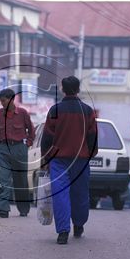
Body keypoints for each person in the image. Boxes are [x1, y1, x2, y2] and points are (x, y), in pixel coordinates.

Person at [41, 76, 98, 245]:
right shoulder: (87, 111)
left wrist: (46, 158)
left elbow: (47, 138)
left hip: (59, 161)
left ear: (62, 89)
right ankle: (79, 224)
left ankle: (63, 232)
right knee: (80, 194)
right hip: (80, 160)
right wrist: (91, 153)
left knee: (60, 195)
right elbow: (92, 135)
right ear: (78, 89)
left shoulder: (55, 110)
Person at [0, 88, 35, 218]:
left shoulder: (22, 113)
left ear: (11, 99)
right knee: (2, 179)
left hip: (19, 149)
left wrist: (27, 143)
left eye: (4, 101)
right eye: (1, 101)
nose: (2, 103)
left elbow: (31, 131)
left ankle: (23, 209)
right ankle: (2, 209)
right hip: (3, 149)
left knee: (20, 180)